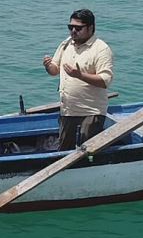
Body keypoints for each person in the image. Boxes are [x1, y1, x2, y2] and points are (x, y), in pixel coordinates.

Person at [42, 9, 114, 150]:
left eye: (78, 28)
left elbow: (105, 80)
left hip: (90, 112)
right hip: (67, 111)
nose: (73, 31)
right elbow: (54, 70)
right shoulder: (67, 44)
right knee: (64, 152)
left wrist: (80, 75)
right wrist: (48, 66)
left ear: (90, 28)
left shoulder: (101, 49)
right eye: (71, 27)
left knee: (86, 153)